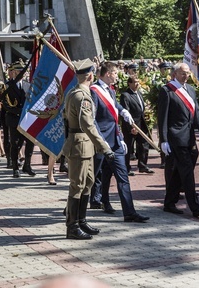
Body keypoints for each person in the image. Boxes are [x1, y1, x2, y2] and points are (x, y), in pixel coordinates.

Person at [63, 59, 115, 240]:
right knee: (77, 186)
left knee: (88, 183)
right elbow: (87, 125)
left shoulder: (75, 93)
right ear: (91, 76)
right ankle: (72, 226)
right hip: (80, 145)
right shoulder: (81, 96)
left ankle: (81, 220)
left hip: (84, 145)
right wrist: (105, 147)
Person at [91, 62, 148, 223]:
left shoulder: (110, 90)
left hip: (115, 142)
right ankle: (72, 208)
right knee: (90, 179)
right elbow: (92, 119)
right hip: (101, 142)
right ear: (108, 73)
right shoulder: (94, 91)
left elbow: (114, 108)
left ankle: (129, 212)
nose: (117, 75)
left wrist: (123, 111)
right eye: (115, 73)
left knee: (122, 177)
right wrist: (100, 141)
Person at [158, 62, 199, 217]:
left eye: (188, 73)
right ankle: (195, 207)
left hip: (189, 137)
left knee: (179, 173)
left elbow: (197, 114)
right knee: (187, 172)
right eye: (183, 73)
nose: (186, 76)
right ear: (174, 74)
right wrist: (163, 139)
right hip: (175, 137)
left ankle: (169, 202)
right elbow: (163, 117)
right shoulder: (167, 90)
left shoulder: (191, 90)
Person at [0, 60, 34, 178]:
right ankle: (15, 167)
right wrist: (20, 111)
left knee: (30, 142)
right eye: (19, 71)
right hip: (14, 118)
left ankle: (27, 165)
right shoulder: (7, 86)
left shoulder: (27, 85)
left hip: (26, 119)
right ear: (13, 72)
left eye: (22, 71)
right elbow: (5, 104)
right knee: (15, 144)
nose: (21, 73)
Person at [119, 75, 153, 174]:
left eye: (138, 82)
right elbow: (126, 112)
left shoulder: (139, 93)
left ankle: (143, 165)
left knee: (144, 145)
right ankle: (126, 167)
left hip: (141, 124)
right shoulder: (125, 95)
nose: (137, 84)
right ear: (129, 83)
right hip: (132, 125)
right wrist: (131, 127)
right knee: (129, 147)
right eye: (135, 82)